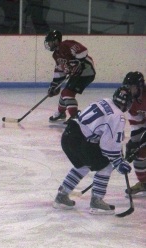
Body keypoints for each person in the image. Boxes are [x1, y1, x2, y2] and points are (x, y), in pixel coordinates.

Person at [53, 86, 133, 215]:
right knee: (106, 165)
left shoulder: (105, 101)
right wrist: (118, 162)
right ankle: (97, 201)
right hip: (80, 141)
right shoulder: (118, 116)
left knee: (83, 165)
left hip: (68, 135)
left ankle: (62, 196)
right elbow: (108, 146)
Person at [45, 30, 96, 124]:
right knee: (65, 93)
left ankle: (75, 116)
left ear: (56, 41)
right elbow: (60, 70)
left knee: (67, 93)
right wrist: (54, 86)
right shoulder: (56, 55)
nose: (48, 44)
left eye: (50, 41)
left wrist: (78, 62)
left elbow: (83, 50)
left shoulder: (66, 45)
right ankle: (61, 113)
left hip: (86, 72)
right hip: (77, 74)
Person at [123, 71, 146, 196]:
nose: (129, 90)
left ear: (140, 86)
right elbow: (137, 123)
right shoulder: (131, 101)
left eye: (131, 87)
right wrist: (133, 143)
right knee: (138, 153)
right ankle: (144, 183)